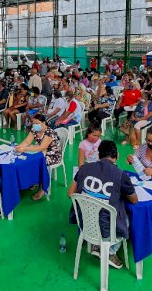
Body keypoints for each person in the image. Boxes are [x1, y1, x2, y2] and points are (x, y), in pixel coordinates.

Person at [68, 140, 138, 269]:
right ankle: (111, 251)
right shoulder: (120, 175)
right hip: (107, 228)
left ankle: (96, 245)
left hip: (85, 222)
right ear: (116, 156)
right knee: (129, 219)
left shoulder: (84, 168)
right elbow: (134, 200)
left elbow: (70, 193)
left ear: (98, 155)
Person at [14, 114, 61, 200]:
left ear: (43, 122)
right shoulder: (34, 130)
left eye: (37, 123)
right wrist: (19, 147)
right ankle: (33, 181)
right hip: (40, 152)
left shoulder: (49, 132)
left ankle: (42, 188)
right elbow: (27, 141)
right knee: (28, 160)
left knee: (38, 163)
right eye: (33, 123)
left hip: (52, 155)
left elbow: (42, 147)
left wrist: (24, 148)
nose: (35, 125)